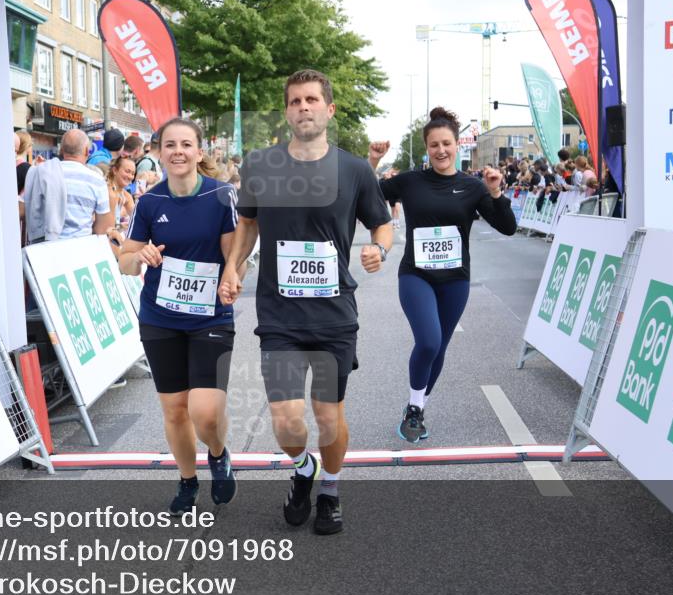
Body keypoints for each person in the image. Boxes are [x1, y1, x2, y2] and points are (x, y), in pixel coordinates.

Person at [219, 69, 393, 535]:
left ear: (329, 109)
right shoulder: (260, 165)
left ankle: (330, 491)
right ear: (287, 111)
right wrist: (232, 267)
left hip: (334, 316)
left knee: (328, 415)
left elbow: (382, 223)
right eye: (295, 101)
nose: (303, 107)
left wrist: (380, 247)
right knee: (286, 420)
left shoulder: (354, 169)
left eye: (312, 99)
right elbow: (248, 223)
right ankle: (302, 469)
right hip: (279, 314)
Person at [368, 107, 515, 444]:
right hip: (416, 275)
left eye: (446, 143)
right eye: (434, 145)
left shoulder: (473, 187)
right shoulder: (410, 181)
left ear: (456, 145)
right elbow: (366, 195)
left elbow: (507, 228)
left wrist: (495, 193)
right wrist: (373, 161)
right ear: (427, 148)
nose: (441, 150)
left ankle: (415, 408)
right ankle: (416, 408)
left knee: (440, 347)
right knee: (429, 340)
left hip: (455, 281)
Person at [118, 117, 243, 514]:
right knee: (174, 410)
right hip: (160, 317)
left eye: (186, 144)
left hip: (211, 318)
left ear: (199, 152)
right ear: (158, 152)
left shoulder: (221, 196)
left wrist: (232, 274)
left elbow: (233, 257)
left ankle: (218, 453)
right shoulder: (151, 202)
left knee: (204, 412)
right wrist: (139, 255)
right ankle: (187, 481)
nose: (177, 151)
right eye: (169, 145)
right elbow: (125, 262)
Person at [22, 128, 113, 243]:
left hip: (44, 249)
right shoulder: (97, 181)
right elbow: (102, 229)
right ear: (86, 151)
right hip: (80, 249)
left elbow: (24, 208)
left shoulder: (42, 172)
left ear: (61, 150)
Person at [106, 156, 136, 233]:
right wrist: (119, 227)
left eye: (133, 173)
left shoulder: (126, 195)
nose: (130, 176)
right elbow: (106, 226)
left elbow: (137, 219)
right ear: (115, 170)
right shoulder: (105, 190)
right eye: (127, 171)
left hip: (112, 234)